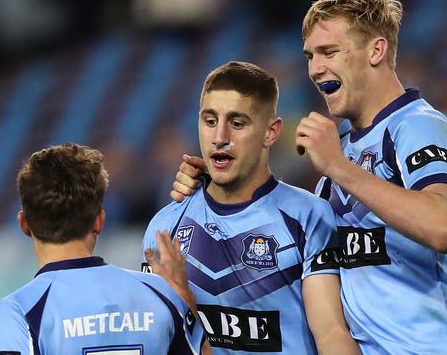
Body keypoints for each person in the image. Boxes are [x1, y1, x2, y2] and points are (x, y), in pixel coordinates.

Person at [172, 0, 447, 354]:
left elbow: (442, 226)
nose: (315, 69)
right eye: (310, 56)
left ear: (376, 51)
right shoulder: (343, 151)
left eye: (329, 52)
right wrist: (219, 188)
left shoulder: (415, 127)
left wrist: (338, 166)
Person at [142, 61, 360, 355]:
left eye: (237, 123)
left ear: (271, 132)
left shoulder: (307, 217)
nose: (219, 137)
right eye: (209, 121)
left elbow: (332, 334)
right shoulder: (166, 227)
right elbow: (158, 339)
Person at [0, 143, 206, 355]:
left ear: (24, 224)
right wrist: (185, 301)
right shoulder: (163, 294)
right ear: (99, 221)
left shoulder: (17, 312)